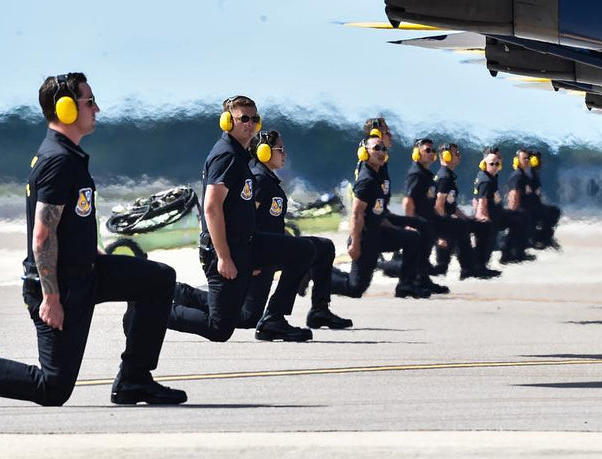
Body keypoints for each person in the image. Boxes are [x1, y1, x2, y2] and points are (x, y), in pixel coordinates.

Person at [0, 73, 187, 406]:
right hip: (61, 285)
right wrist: (51, 298)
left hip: (86, 271)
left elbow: (69, 222)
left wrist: (94, 251)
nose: (97, 109)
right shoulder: (58, 162)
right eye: (90, 102)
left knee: (158, 279)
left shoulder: (67, 156)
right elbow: (42, 237)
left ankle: (135, 380)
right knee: (53, 388)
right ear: (66, 109)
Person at [166, 96, 316, 342]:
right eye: (243, 118)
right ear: (227, 122)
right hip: (225, 249)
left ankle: (275, 317)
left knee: (303, 250)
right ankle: (157, 309)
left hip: (247, 244)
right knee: (220, 328)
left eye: (254, 118)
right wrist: (224, 257)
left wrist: (260, 259)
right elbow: (212, 208)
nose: (250, 123)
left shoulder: (241, 155)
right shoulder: (226, 156)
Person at [245, 129, 352, 331]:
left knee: (324, 247)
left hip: (274, 246)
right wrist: (249, 258)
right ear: (264, 152)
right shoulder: (259, 181)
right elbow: (247, 219)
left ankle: (319, 310)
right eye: (280, 149)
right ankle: (180, 297)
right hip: (261, 252)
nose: (284, 154)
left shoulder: (269, 179)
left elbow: (269, 220)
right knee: (246, 316)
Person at [331, 135, 431, 298]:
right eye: (376, 148)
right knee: (355, 288)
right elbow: (357, 214)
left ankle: (406, 284)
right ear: (364, 153)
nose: (381, 152)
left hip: (379, 233)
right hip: (365, 238)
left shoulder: (378, 176)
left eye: (384, 149)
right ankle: (319, 273)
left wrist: (393, 226)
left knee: (412, 238)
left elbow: (377, 209)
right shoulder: (366, 180)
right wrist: (355, 244)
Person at [358, 117, 445, 294]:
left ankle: (419, 276)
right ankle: (407, 279)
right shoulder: (371, 164)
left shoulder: (381, 162)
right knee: (415, 232)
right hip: (373, 220)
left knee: (424, 226)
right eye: (387, 132)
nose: (391, 136)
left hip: (383, 214)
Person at [432, 142, 499, 279]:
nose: (459, 156)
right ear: (446, 155)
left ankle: (476, 266)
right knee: (440, 268)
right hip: (442, 223)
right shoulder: (444, 177)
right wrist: (442, 234)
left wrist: (466, 217)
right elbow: (438, 205)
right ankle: (469, 268)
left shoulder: (449, 176)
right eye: (456, 153)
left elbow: (451, 206)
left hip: (450, 219)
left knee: (481, 226)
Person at [473, 147, 530, 264]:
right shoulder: (485, 180)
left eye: (499, 159)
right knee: (488, 241)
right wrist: (482, 216)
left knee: (518, 220)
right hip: (491, 215)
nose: (499, 161)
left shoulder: (490, 176)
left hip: (496, 212)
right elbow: (480, 200)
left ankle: (507, 254)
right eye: (495, 159)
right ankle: (482, 265)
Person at [526, 150, 562, 249]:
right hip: (530, 207)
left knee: (553, 211)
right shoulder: (530, 174)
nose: (541, 162)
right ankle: (541, 239)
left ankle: (544, 238)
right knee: (553, 212)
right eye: (539, 160)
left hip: (534, 205)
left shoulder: (532, 173)